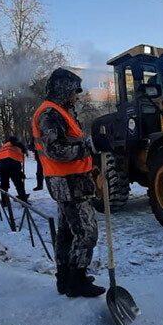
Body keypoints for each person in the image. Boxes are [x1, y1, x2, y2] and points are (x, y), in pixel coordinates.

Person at [32, 68, 105, 298]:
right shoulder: (49, 115)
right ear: (63, 89)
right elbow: (56, 151)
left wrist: (89, 161)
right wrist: (90, 147)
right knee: (87, 233)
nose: (77, 96)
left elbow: (69, 144)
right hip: (68, 184)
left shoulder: (59, 113)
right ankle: (77, 280)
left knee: (67, 233)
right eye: (74, 91)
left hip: (71, 181)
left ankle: (65, 279)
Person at [0, 136, 29, 202]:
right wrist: (24, 150)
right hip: (11, 162)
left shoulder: (4, 146)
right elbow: (22, 149)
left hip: (0, 164)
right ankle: (23, 200)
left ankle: (4, 201)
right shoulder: (15, 144)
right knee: (18, 182)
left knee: (4, 182)